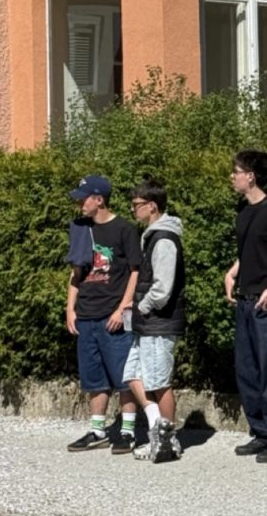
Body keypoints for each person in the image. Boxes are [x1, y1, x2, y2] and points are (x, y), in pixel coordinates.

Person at [65, 175, 141, 454]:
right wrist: (70, 308)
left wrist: (123, 308)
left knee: (124, 375)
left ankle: (128, 431)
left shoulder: (124, 229)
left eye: (83, 199)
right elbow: (75, 273)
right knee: (93, 376)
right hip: (86, 315)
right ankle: (97, 430)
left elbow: (135, 270)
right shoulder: (80, 228)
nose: (79, 204)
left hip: (113, 314)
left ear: (99, 200)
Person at [123, 178, 185, 463]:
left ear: (152, 206)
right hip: (147, 322)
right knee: (132, 375)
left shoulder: (164, 239)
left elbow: (162, 287)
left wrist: (144, 306)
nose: (132, 209)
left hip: (159, 322)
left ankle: (168, 440)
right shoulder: (152, 236)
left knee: (159, 383)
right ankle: (157, 431)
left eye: (136, 204)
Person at [224, 149, 267, 460]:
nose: (232, 176)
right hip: (245, 299)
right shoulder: (244, 211)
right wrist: (233, 270)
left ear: (250, 176)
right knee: (247, 370)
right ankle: (261, 433)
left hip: (264, 303)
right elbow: (251, 249)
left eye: (236, 171)